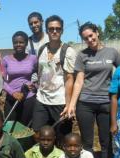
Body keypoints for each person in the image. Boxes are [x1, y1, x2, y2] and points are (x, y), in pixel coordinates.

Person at [66, 22, 120, 158]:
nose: (89, 40)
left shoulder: (112, 53)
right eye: (85, 38)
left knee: (106, 143)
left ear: (97, 33)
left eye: (91, 35)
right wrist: (72, 104)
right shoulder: (82, 55)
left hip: (106, 103)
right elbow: (79, 81)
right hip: (86, 103)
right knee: (87, 144)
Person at [32, 15, 76, 145]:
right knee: (38, 134)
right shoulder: (42, 50)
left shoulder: (68, 51)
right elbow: (41, 72)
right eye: (51, 29)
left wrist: (69, 105)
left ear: (62, 30)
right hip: (42, 99)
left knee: (62, 138)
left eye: (58, 28)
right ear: (46, 30)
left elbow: (69, 79)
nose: (54, 31)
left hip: (60, 101)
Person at [2, 31, 37, 126]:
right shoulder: (6, 59)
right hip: (11, 98)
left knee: (25, 127)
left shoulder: (33, 59)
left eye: (21, 42)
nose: (18, 45)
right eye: (15, 42)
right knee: (9, 126)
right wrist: (13, 93)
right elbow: (2, 81)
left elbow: (39, 76)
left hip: (28, 98)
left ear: (26, 43)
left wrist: (34, 85)